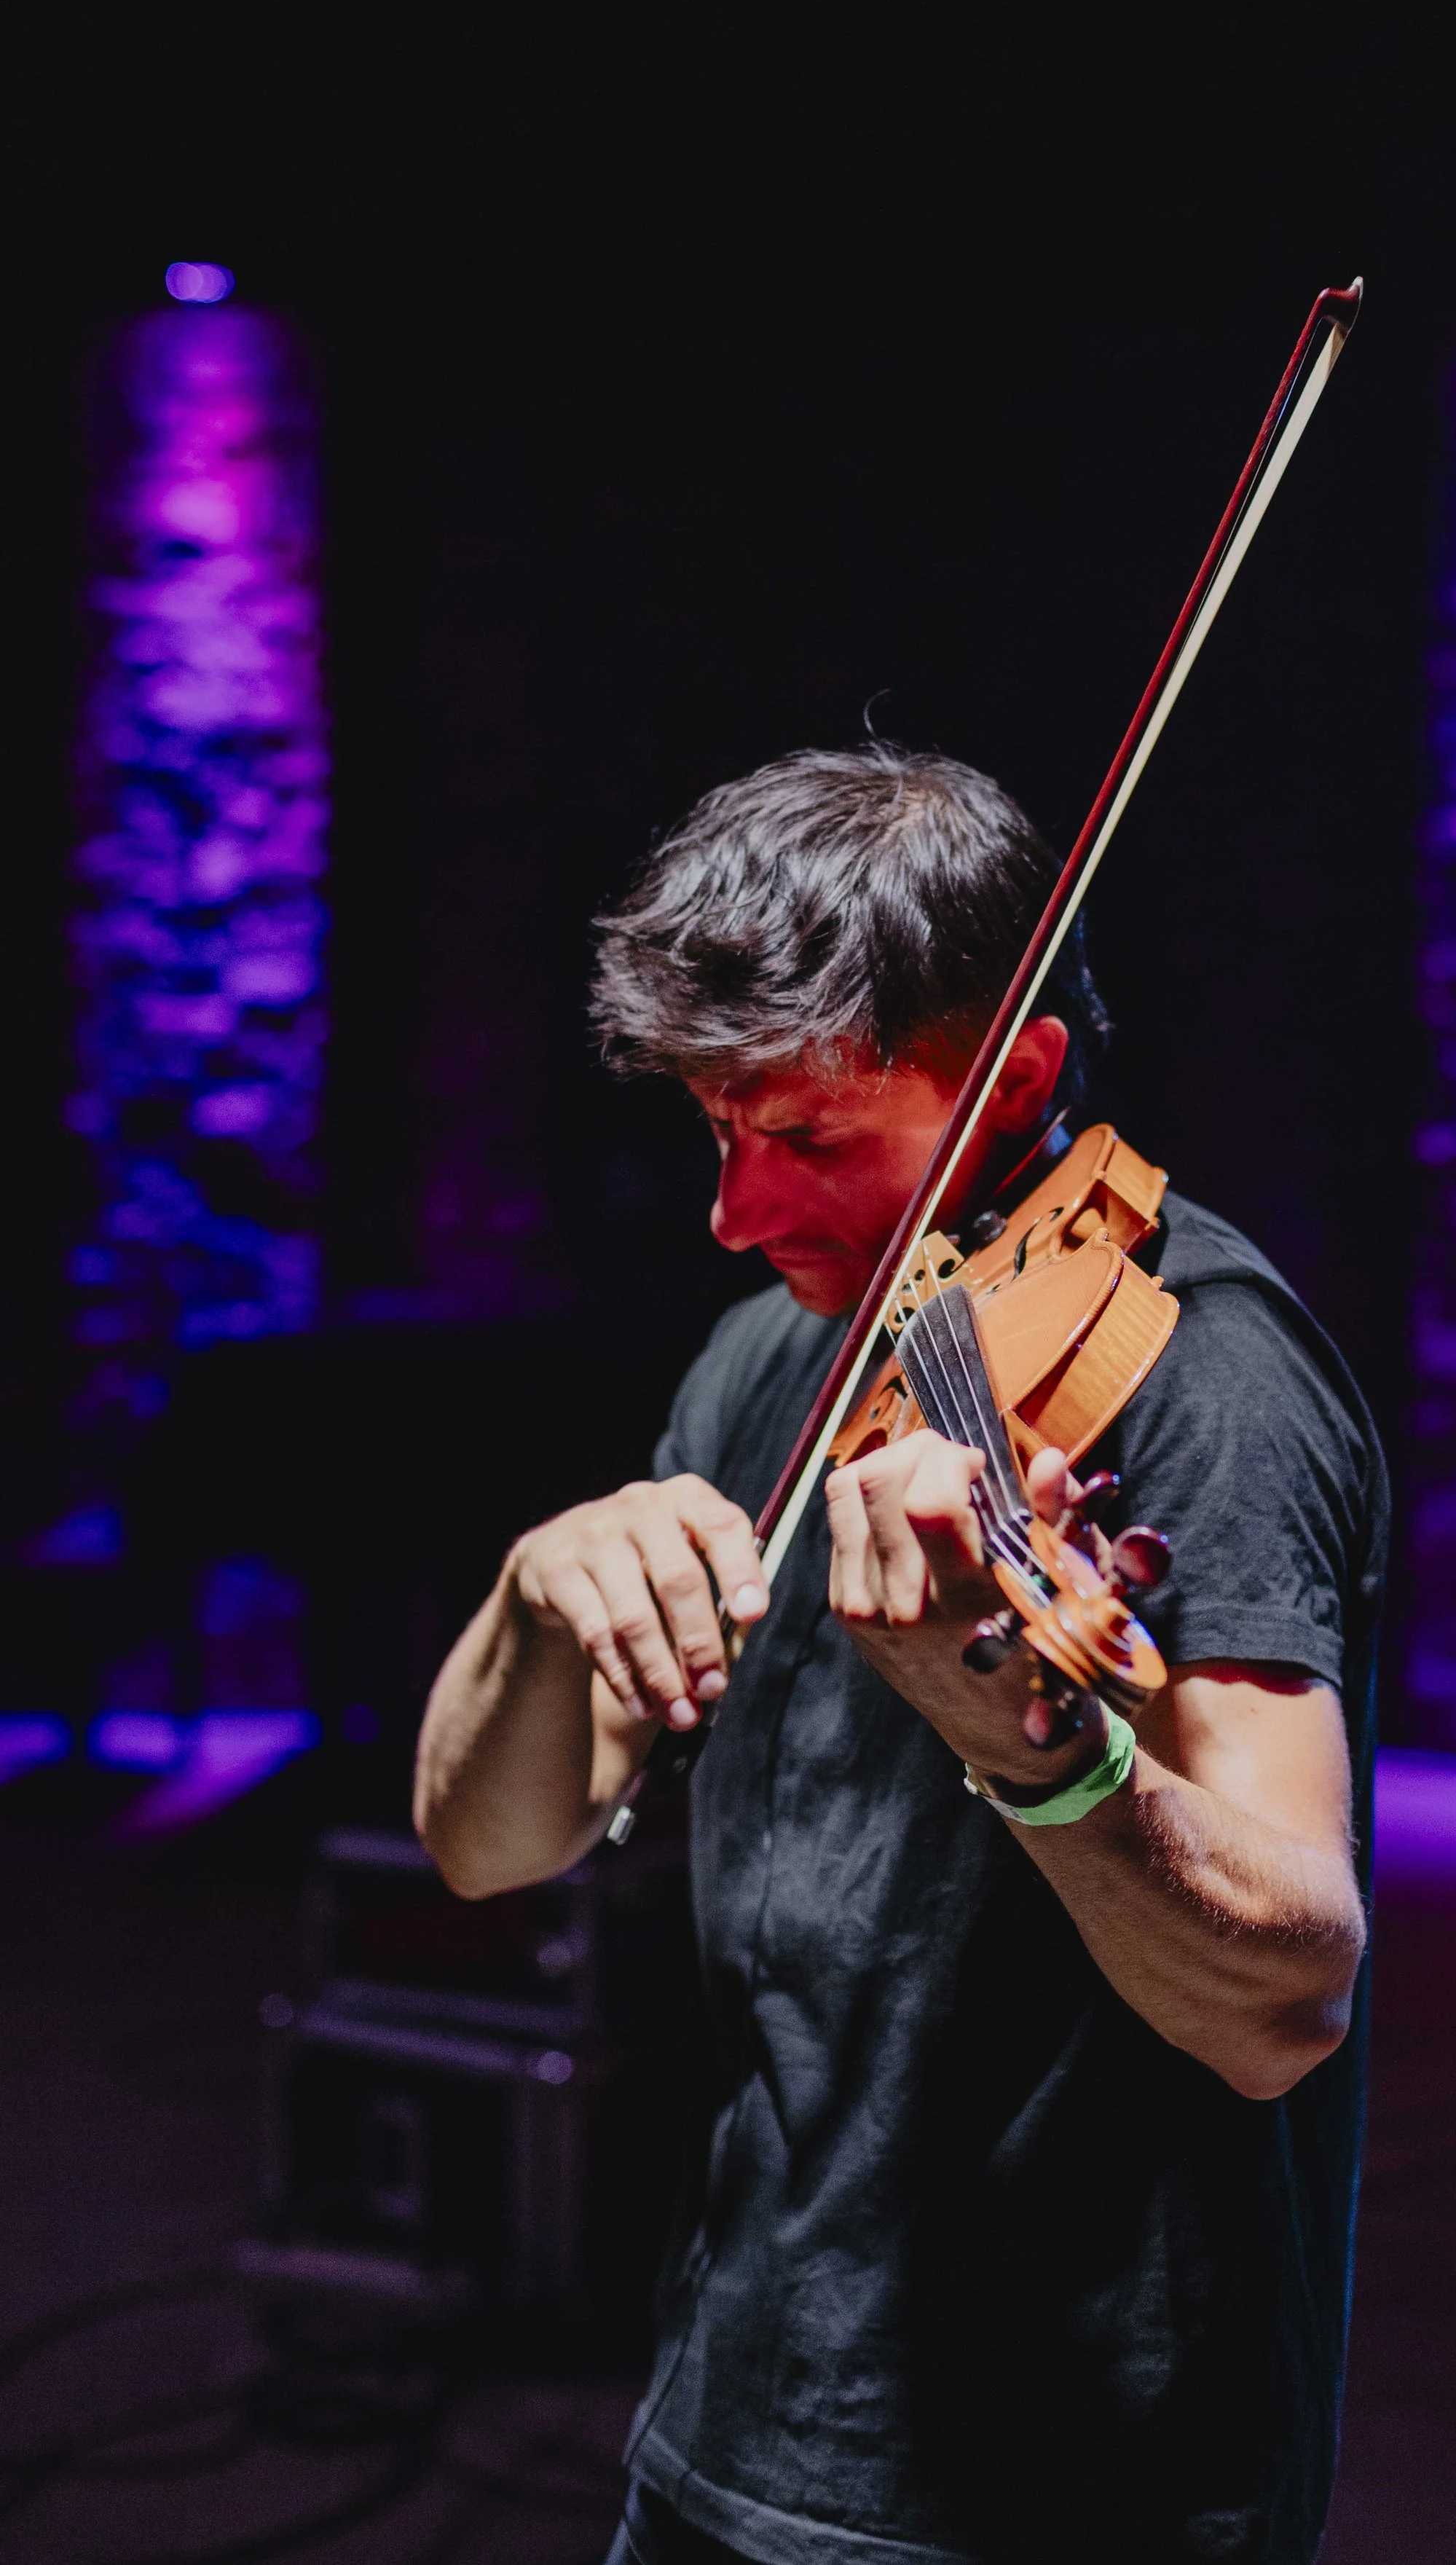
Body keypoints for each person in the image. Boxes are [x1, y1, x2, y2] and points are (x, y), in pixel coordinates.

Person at [415, 745, 1388, 2565]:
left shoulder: (1208, 1378)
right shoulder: (765, 1362)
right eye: (717, 1132)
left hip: (1072, 2479)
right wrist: (534, 1594)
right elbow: (489, 1845)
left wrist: (1039, 1752)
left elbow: (1285, 1999)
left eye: (803, 1141)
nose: (735, 1213)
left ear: (1011, 1071)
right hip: (734, 2410)